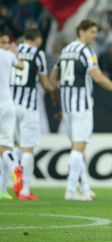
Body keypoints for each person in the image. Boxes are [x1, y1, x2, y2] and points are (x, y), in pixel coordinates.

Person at [50, 19, 112, 201]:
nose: (95, 36)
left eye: (96, 32)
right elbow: (99, 78)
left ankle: (85, 189)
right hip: (81, 106)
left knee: (77, 148)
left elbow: (54, 77)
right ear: (82, 31)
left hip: (67, 106)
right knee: (79, 148)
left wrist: (56, 98)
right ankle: (70, 191)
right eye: (92, 32)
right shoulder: (87, 52)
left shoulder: (66, 50)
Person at [9, 28, 57, 200]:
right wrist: (54, 88)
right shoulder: (38, 54)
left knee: (12, 146)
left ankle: (10, 184)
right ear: (37, 40)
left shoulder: (12, 51)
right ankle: (25, 190)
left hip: (10, 106)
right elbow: (45, 84)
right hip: (28, 107)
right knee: (27, 148)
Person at [0, 32, 23, 200]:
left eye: (7, 43)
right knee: (6, 147)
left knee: (1, 148)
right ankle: (2, 188)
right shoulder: (9, 55)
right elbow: (21, 66)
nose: (6, 45)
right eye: (4, 42)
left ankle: (14, 166)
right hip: (9, 104)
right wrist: (14, 52)